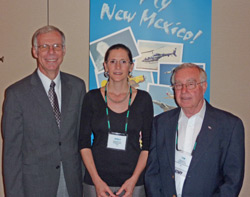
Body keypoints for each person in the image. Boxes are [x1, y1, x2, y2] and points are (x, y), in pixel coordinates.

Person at [2, 25, 86, 197]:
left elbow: (80, 138)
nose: (51, 52)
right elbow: (11, 154)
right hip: (34, 186)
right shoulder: (16, 94)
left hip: (72, 183)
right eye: (44, 47)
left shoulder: (78, 87)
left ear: (64, 50)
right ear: (34, 51)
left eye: (56, 46)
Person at [145, 63, 245, 197]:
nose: (184, 90)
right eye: (178, 85)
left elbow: (233, 180)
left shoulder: (229, 126)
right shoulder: (160, 123)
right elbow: (152, 173)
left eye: (190, 84)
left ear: (204, 87)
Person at [79, 43, 153, 197]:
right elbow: (83, 143)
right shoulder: (91, 98)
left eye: (123, 61)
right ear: (105, 66)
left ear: (131, 67)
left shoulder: (144, 99)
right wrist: (97, 181)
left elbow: (148, 146)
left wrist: (133, 180)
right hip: (96, 182)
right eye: (112, 61)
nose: (118, 66)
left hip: (133, 183)